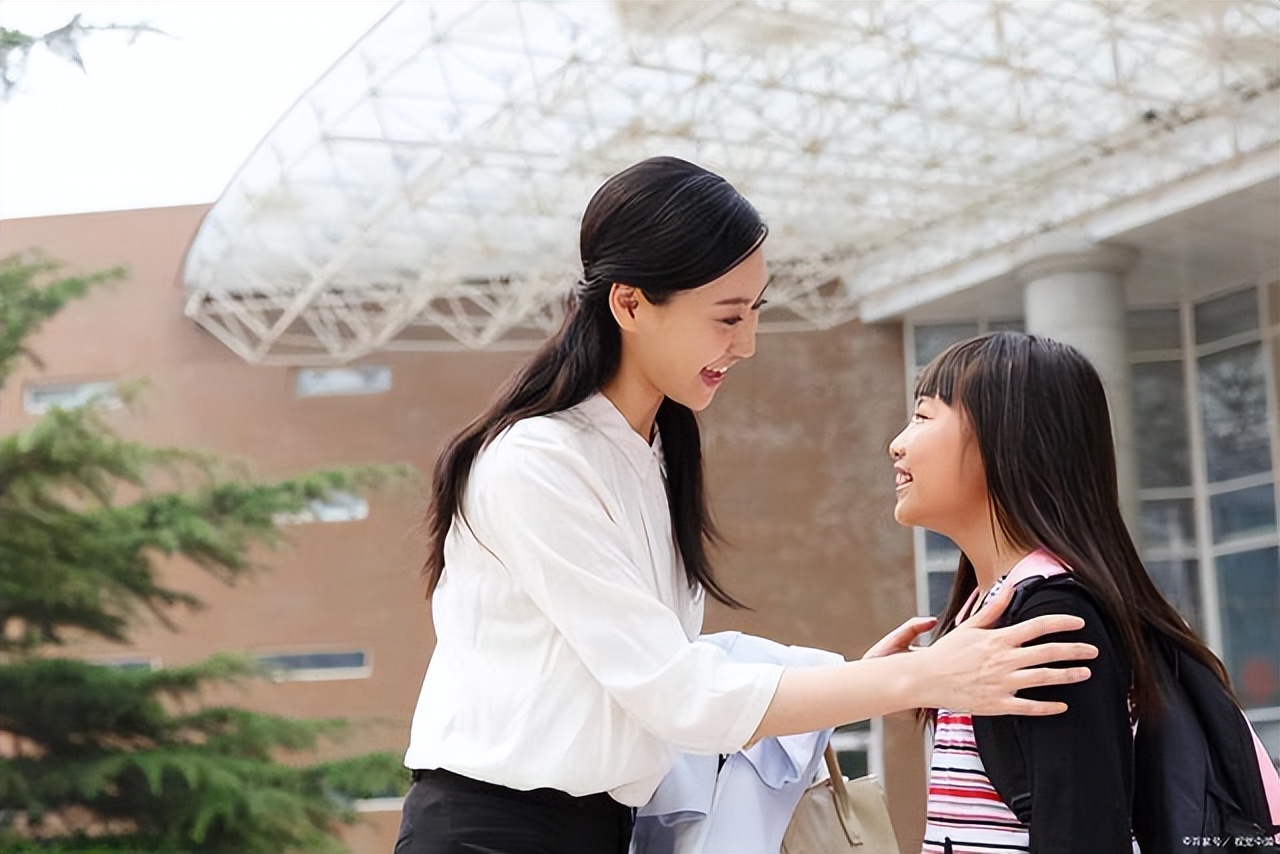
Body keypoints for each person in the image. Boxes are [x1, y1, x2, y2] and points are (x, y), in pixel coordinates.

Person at [395, 158, 1097, 854]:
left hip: (589, 830)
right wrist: (913, 677)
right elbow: (678, 694)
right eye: (727, 317)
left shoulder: (650, 451)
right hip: (493, 833)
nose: (748, 344)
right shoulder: (538, 461)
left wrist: (852, 678)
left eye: (754, 313)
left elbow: (657, 662)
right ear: (630, 304)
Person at [888, 331, 1245, 854]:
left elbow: (1082, 832)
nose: (897, 442)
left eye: (922, 416)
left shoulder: (1052, 614)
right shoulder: (990, 607)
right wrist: (906, 684)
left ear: (1004, 438)